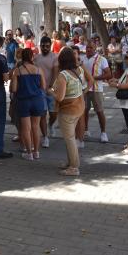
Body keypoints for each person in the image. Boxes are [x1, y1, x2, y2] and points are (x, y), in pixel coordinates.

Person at [49, 48, 85, 176]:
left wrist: (50, 91)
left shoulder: (63, 75)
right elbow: (84, 86)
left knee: (69, 139)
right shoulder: (79, 70)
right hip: (79, 107)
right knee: (71, 137)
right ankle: (71, 162)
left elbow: (60, 97)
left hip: (68, 110)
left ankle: (74, 167)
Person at [11, 48, 46, 161]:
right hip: (37, 100)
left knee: (26, 128)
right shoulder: (38, 70)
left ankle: (29, 153)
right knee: (36, 127)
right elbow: (43, 87)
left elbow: (14, 89)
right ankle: (36, 152)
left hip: (23, 101)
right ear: (32, 57)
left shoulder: (18, 71)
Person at [81, 43, 111, 142]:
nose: (88, 49)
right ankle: (85, 130)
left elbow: (108, 74)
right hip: (84, 89)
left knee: (99, 111)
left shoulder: (102, 59)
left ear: (95, 49)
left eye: (91, 48)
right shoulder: (82, 59)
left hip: (97, 89)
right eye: (87, 47)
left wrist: (94, 78)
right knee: (84, 110)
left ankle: (103, 133)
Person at [35, 36, 59, 147]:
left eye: (47, 46)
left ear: (50, 46)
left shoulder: (55, 57)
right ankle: (45, 137)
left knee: (54, 113)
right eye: (42, 46)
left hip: (51, 89)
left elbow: (55, 73)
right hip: (40, 91)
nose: (45, 48)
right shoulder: (36, 58)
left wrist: (51, 87)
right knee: (43, 114)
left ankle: (51, 124)